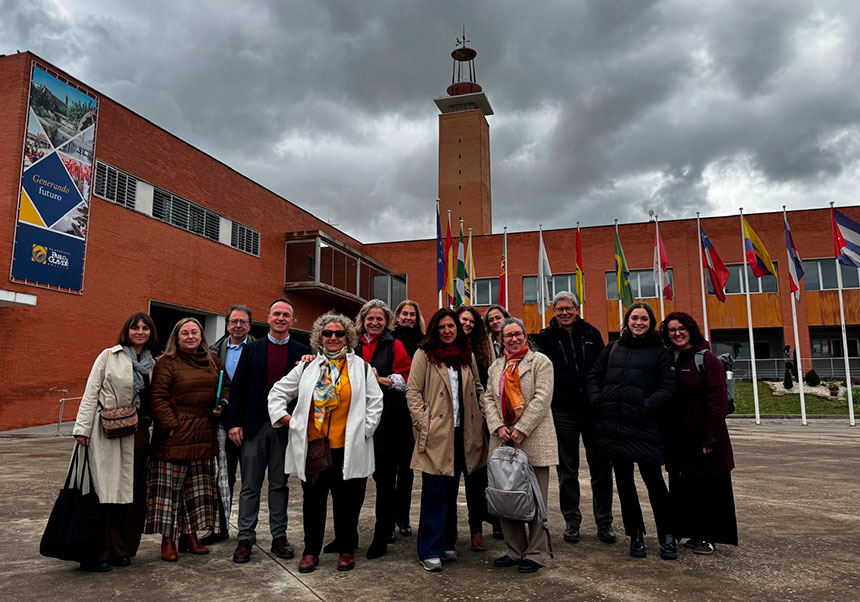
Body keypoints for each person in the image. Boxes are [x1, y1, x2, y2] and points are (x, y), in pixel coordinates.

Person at [268, 312, 383, 573]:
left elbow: (375, 402)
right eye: (327, 333)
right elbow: (278, 392)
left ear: (347, 337)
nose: (333, 337)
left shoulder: (361, 367)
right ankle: (311, 552)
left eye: (339, 333)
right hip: (315, 448)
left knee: (347, 504)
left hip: (347, 448)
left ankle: (346, 549)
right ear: (319, 337)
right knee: (313, 503)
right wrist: (288, 421)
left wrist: (363, 431)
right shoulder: (307, 367)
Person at [586, 302, 677, 560]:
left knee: (655, 483)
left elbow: (668, 387)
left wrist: (644, 406)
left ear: (651, 323)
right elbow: (593, 376)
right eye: (634, 318)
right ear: (627, 321)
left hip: (644, 427)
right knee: (625, 484)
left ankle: (667, 535)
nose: (638, 323)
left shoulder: (660, 352)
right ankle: (635, 534)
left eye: (644, 319)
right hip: (615, 428)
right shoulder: (614, 348)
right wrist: (598, 400)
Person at [72, 312, 158, 572]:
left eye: (145, 328)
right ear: (127, 331)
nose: (140, 332)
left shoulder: (154, 364)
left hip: (138, 433)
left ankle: (121, 547)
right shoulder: (109, 356)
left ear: (151, 333)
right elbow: (91, 392)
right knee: (106, 490)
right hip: (107, 430)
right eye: (135, 327)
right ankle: (100, 550)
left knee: (129, 491)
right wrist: (82, 429)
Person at [227, 298, 310, 564]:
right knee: (249, 485)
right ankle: (245, 538)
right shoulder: (252, 349)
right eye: (277, 314)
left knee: (279, 485)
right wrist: (234, 423)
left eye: (286, 315)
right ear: (268, 317)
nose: (281, 318)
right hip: (253, 427)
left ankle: (279, 537)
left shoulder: (303, 352)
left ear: (293, 320)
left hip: (284, 429)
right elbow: (237, 388)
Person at [406, 308, 487, 572]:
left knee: (452, 491)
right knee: (435, 491)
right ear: (434, 330)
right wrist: (423, 423)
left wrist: (484, 416)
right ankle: (429, 549)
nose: (447, 331)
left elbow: (478, 388)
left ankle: (447, 541)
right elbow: (413, 391)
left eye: (451, 326)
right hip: (437, 433)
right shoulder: (424, 355)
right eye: (441, 327)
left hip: (464, 432)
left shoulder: (466, 355)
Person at [144, 317, 228, 562]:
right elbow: (157, 397)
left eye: (195, 332)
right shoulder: (166, 362)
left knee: (196, 491)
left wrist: (222, 404)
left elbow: (226, 386)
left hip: (203, 433)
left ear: (201, 336)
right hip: (174, 436)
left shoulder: (213, 360)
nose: (190, 337)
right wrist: (171, 425)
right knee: (170, 492)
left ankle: (190, 535)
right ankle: (168, 540)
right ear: (177, 337)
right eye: (185, 333)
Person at [537, 291, 614, 545]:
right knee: (567, 470)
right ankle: (572, 521)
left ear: (577, 309)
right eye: (559, 309)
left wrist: (600, 398)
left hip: (593, 410)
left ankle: (604, 522)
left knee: (601, 468)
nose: (564, 313)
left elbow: (603, 368)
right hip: (563, 411)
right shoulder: (546, 337)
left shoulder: (591, 333)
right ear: (554, 311)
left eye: (568, 308)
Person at [482, 317, 557, 573]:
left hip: (534, 438)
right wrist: (497, 426)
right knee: (506, 496)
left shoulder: (540, 362)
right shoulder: (496, 366)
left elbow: (542, 398)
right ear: (501, 339)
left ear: (525, 336)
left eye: (518, 334)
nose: (513, 339)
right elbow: (488, 398)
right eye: (508, 335)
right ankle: (514, 550)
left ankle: (535, 553)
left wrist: (521, 428)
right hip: (503, 440)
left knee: (535, 498)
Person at [660, 312, 738, 555]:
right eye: (672, 330)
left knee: (708, 488)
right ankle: (693, 533)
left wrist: (710, 438)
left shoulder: (707, 359)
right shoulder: (669, 358)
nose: (677, 334)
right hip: (678, 439)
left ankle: (708, 536)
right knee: (685, 488)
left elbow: (718, 402)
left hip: (705, 437)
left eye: (681, 328)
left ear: (690, 329)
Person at [354, 299, 412, 559]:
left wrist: (380, 380)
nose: (374, 322)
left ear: (387, 321)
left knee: (385, 481)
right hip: (355, 419)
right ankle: (347, 535)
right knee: (352, 480)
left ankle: (382, 535)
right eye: (370, 318)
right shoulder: (352, 344)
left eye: (379, 319)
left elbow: (407, 380)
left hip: (387, 421)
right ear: (362, 320)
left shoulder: (395, 344)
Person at [204, 304, 255, 545]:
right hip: (223, 422)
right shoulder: (213, 353)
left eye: (243, 322)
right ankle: (220, 527)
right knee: (223, 478)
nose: (238, 325)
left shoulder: (257, 349)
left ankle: (247, 530)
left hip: (250, 424)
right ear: (227, 325)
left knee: (251, 479)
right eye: (234, 321)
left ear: (250, 325)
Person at [457, 304, 503, 549]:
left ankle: (480, 529)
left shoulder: (483, 350)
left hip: (479, 419)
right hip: (452, 421)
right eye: (463, 320)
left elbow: (483, 386)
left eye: (471, 322)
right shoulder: (443, 347)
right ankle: (450, 532)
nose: (467, 324)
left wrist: (488, 417)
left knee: (478, 478)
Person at [391, 299, 425, 536]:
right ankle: (387, 520)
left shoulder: (424, 342)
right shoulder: (390, 339)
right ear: (397, 316)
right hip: (391, 407)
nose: (408, 318)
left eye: (412, 314)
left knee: (406, 468)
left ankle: (402, 518)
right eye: (404, 314)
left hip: (413, 411)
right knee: (387, 470)